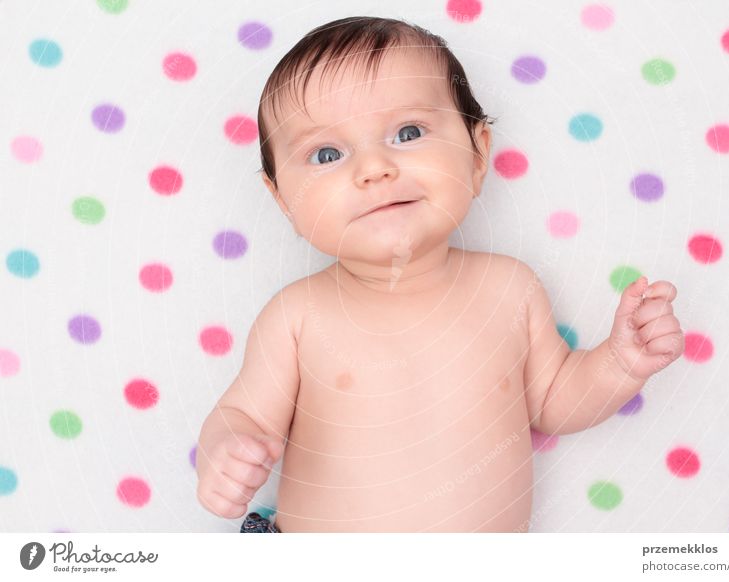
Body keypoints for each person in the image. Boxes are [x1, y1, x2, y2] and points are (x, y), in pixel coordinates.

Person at [196, 15, 684, 532]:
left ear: (478, 156)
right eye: (327, 154)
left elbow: (555, 402)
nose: (374, 167)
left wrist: (620, 363)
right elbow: (244, 414)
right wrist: (226, 453)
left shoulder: (508, 290)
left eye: (408, 133)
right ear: (283, 202)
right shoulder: (297, 316)